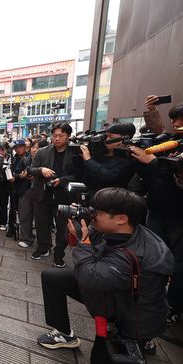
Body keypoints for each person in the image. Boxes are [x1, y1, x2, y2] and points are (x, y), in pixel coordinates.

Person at [37, 188, 173, 360]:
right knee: (53, 277)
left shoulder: (135, 255)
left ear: (121, 219)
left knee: (100, 356)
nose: (92, 215)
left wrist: (84, 244)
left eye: (97, 212)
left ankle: (141, 341)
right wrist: (78, 229)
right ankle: (64, 334)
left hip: (129, 316)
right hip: (112, 290)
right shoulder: (118, 229)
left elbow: (89, 277)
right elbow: (84, 242)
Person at [131, 98, 183, 325]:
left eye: (181, 120)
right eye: (174, 119)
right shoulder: (171, 141)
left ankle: (173, 305)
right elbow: (159, 134)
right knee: (151, 257)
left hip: (179, 216)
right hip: (156, 209)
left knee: (178, 264)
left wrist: (152, 163)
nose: (177, 124)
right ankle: (150, 298)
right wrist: (152, 110)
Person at [28, 122, 77, 267]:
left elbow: (79, 175)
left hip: (64, 196)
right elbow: (31, 169)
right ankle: (43, 247)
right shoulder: (43, 151)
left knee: (63, 228)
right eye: (54, 135)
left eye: (61, 136)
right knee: (42, 224)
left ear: (68, 136)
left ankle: (59, 254)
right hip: (43, 194)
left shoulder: (75, 153)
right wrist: (41, 169)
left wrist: (61, 180)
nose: (57, 139)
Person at [79, 122, 137, 196]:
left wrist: (89, 160)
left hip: (111, 198)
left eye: (111, 137)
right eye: (106, 136)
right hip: (90, 195)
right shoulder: (100, 152)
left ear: (125, 138)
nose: (106, 140)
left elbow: (109, 178)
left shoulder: (130, 158)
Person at [0, 142, 13, 234]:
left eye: (3, 149)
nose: (1, 152)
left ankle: (3, 222)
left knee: (4, 203)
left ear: (7, 149)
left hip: (6, 184)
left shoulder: (11, 158)